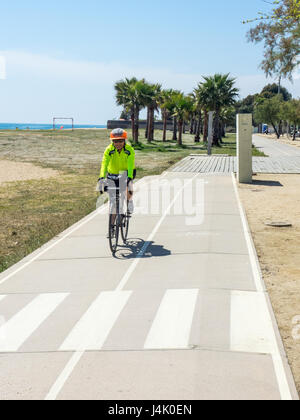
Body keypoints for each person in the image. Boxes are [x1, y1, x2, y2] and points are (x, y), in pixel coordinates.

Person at [97, 128, 136, 214]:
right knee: (113, 199)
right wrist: (101, 177)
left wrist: (129, 177)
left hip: (126, 171)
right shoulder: (109, 150)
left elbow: (130, 164)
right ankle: (111, 226)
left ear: (124, 141)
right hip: (113, 173)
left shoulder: (129, 150)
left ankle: (129, 201)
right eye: (115, 141)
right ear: (112, 141)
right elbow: (104, 163)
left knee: (127, 187)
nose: (118, 143)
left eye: (120, 141)